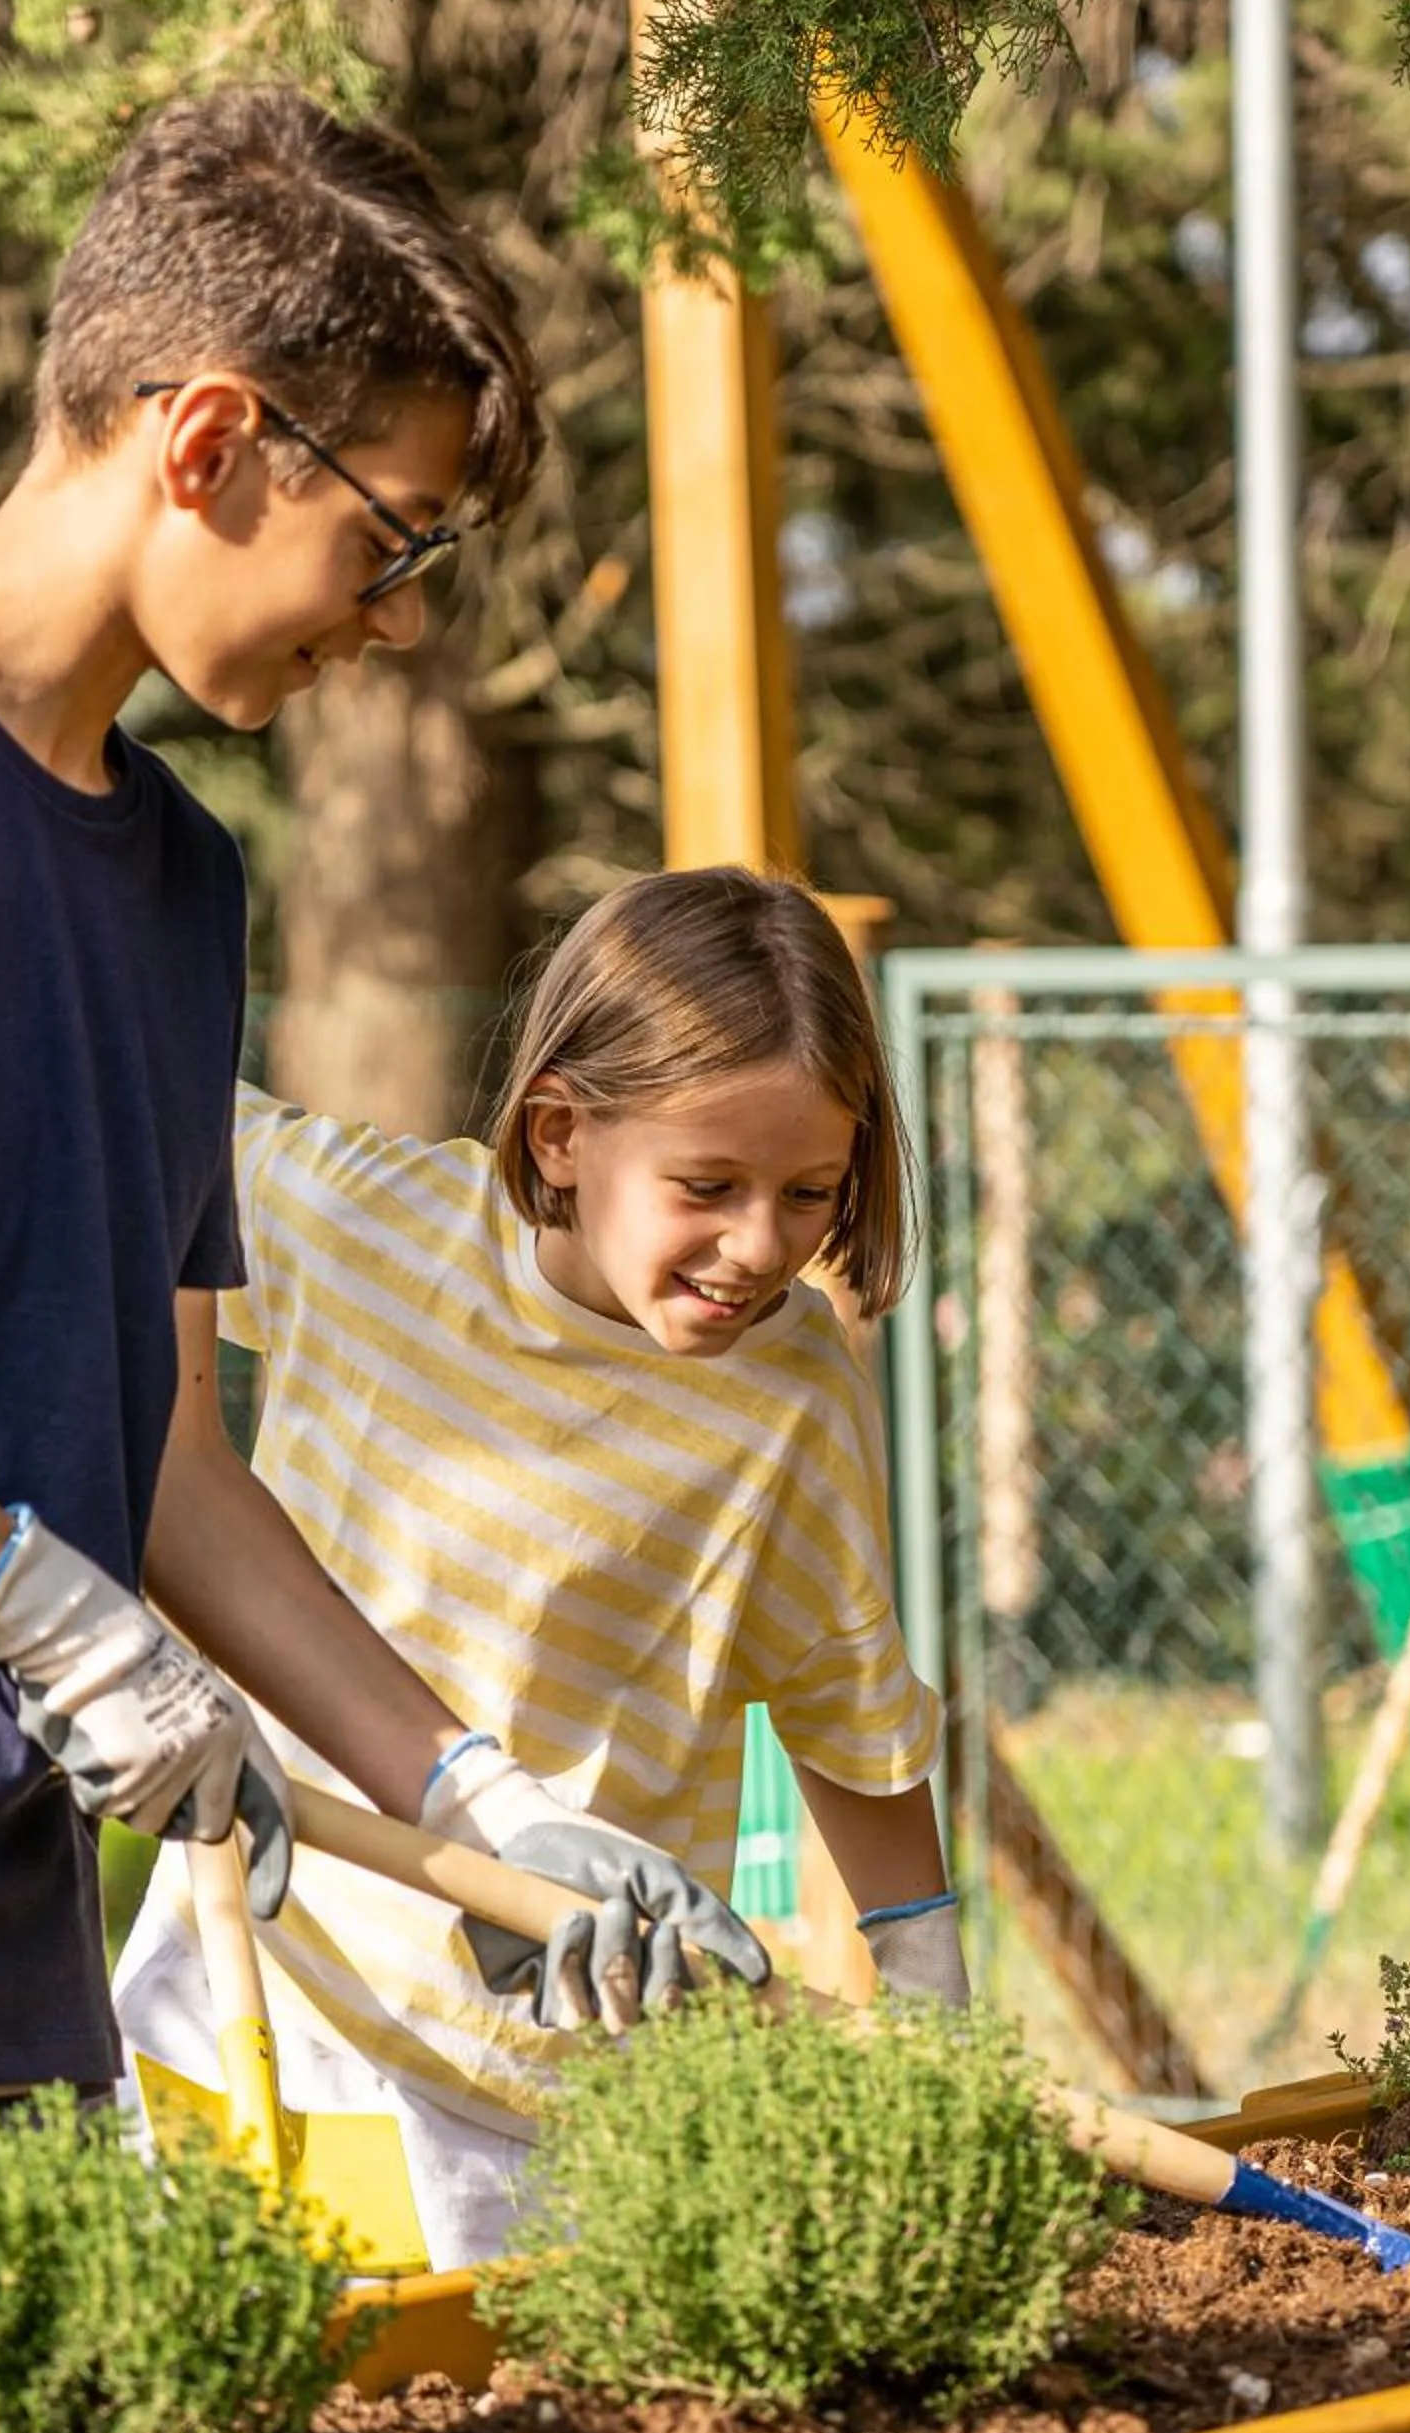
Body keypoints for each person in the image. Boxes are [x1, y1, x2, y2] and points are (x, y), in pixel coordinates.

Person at [0, 86, 761, 2398]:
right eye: (392, 540)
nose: (388, 620)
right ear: (213, 439)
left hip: (5, 1947)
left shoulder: (178, 888)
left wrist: (477, 1788)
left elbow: (168, 1463)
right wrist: (15, 1587)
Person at [115, 866, 965, 2271]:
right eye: (710, 1186)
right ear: (561, 1133)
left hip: (553, 2082)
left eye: (811, 1192)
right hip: (259, 1986)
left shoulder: (789, 1392)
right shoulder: (371, 1227)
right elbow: (150, 1127)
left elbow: (850, 1714)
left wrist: (938, 2028)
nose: (760, 1246)